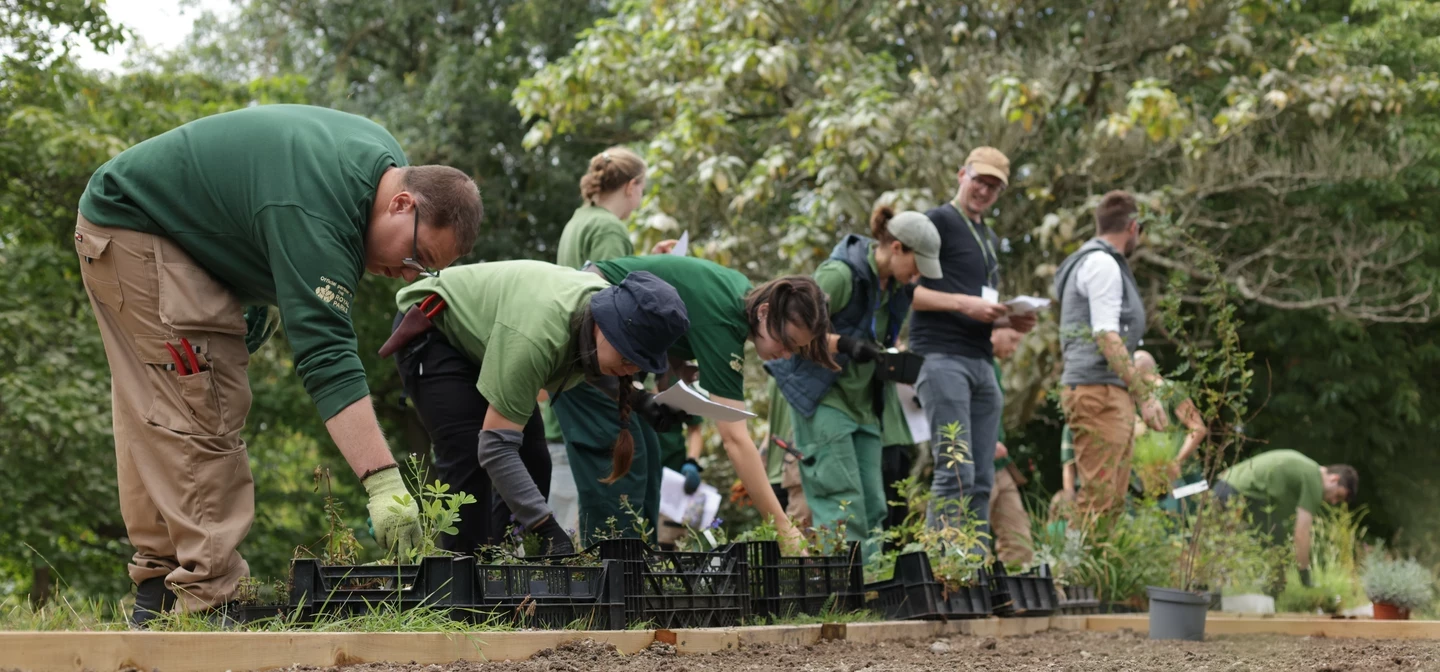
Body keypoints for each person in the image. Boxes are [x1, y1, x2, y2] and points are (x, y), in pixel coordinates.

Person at [73, 104, 481, 626]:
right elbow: (327, 355)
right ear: (402, 203)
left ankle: (158, 592)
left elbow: (253, 203)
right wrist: (381, 480)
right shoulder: (321, 211)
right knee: (202, 406)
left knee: (155, 409)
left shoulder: (380, 165)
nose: (407, 276)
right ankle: (210, 601)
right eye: (416, 257)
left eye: (424, 271)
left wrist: (254, 292)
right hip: (138, 230)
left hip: (144, 228)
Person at [383, 261, 691, 556]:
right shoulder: (537, 336)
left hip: (496, 339)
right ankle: (462, 594)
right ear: (605, 324)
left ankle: (505, 566)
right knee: (467, 456)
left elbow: (591, 359)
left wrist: (639, 400)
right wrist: (547, 528)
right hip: (435, 327)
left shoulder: (598, 313)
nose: (630, 369)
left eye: (640, 364)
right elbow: (494, 448)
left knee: (534, 462)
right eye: (628, 358)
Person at [563, 255, 835, 550]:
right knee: (626, 460)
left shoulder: (739, 296)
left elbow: (679, 314)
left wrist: (676, 363)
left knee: (650, 459)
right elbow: (735, 439)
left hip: (616, 342)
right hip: (589, 330)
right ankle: (611, 578)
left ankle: (637, 572)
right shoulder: (725, 319)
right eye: (787, 342)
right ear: (765, 312)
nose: (786, 354)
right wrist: (784, 528)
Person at [769, 205, 942, 557]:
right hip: (823, 397)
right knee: (839, 498)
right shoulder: (840, 274)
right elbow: (784, 333)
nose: (918, 277)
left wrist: (890, 355)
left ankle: (872, 582)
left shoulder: (896, 288)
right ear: (896, 248)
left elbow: (879, 335)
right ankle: (850, 589)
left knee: (874, 501)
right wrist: (843, 344)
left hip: (865, 402)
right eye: (917, 265)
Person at [910, 147, 1036, 532]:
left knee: (983, 478)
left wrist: (1009, 321)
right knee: (955, 472)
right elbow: (906, 293)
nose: (984, 190)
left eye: (994, 186)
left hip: (982, 362)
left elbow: (981, 302)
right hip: (941, 357)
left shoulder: (988, 236)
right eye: (980, 180)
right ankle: (942, 572)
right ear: (962, 174)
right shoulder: (938, 222)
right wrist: (964, 305)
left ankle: (970, 574)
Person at [1053, 190, 1165, 518]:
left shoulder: (1093, 260)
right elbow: (1106, 335)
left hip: (1104, 391)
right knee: (1098, 501)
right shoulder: (1102, 263)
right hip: (1098, 393)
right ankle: (1075, 571)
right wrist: (1144, 395)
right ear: (1133, 227)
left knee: (1112, 501)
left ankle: (1095, 569)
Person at [1214, 450, 1358, 587]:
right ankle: (1215, 594)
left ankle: (1266, 592)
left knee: (1273, 536)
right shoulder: (1314, 480)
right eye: (1338, 496)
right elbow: (1301, 533)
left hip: (1227, 484)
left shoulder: (1307, 469)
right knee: (1222, 546)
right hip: (1234, 492)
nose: (1333, 502)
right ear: (1334, 479)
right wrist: (1305, 576)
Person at [1129, 350, 1209, 506]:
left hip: (1187, 475)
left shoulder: (1168, 389)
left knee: (1193, 521)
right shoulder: (1140, 400)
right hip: (1160, 482)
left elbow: (1198, 428)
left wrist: (1177, 461)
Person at [988, 327, 1034, 567]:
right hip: (974, 461)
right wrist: (984, 442)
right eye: (1013, 338)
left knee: (1018, 537)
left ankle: (1018, 595)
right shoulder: (971, 362)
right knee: (967, 535)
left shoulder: (993, 365)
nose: (1015, 347)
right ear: (994, 330)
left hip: (1000, 465)